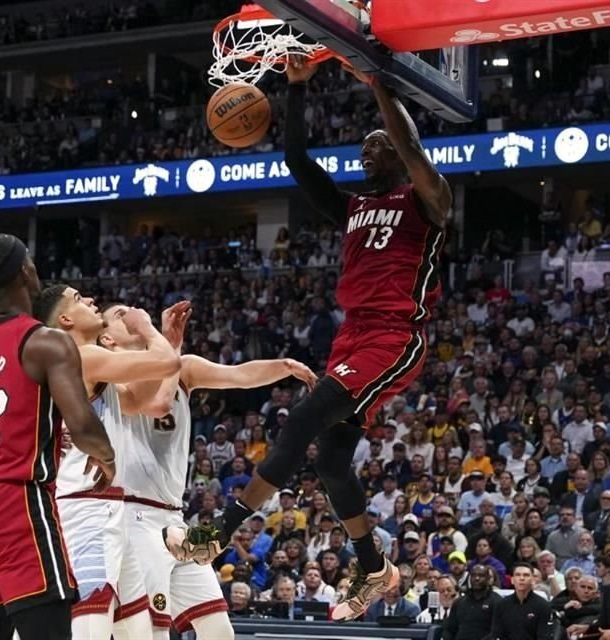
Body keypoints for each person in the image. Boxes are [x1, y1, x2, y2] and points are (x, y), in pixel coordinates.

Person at [165, 54, 452, 622]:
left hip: (395, 338)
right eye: (365, 145)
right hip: (353, 338)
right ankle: (376, 569)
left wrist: (379, 89)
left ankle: (214, 535)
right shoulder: (355, 208)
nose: (366, 150)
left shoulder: (429, 197)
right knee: (331, 462)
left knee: (299, 421)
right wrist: (296, 88)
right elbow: (298, 161)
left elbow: (414, 150)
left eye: (377, 143)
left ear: (399, 149)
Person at [0, 234, 116, 640]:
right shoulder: (46, 340)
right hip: (15, 503)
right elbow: (84, 427)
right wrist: (107, 457)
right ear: (25, 272)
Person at [99, 302, 316, 640]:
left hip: (175, 518)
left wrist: (283, 366)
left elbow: (240, 376)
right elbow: (155, 402)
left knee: (219, 630)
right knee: (148, 633)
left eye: (130, 308)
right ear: (108, 340)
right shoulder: (108, 381)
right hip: (134, 516)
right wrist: (169, 347)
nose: (128, 313)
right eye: (117, 315)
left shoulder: (183, 368)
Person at [34, 285, 181, 639]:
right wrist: (148, 328)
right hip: (84, 506)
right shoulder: (79, 354)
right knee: (91, 619)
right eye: (79, 299)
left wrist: (167, 342)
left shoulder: (86, 363)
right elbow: (166, 364)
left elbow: (140, 400)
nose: (91, 301)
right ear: (66, 318)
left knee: (136, 628)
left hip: (106, 505)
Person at [491, 563, 555, 640]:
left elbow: (544, 636)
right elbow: (496, 634)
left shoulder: (543, 605)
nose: (521, 578)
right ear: (512, 580)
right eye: (518, 575)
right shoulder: (501, 605)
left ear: (533, 580)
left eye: (526, 575)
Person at [443, 565, 502, 640]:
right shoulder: (459, 602)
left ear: (488, 578)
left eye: (481, 575)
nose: (476, 578)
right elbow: (450, 629)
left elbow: (497, 632)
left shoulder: (497, 602)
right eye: (473, 575)